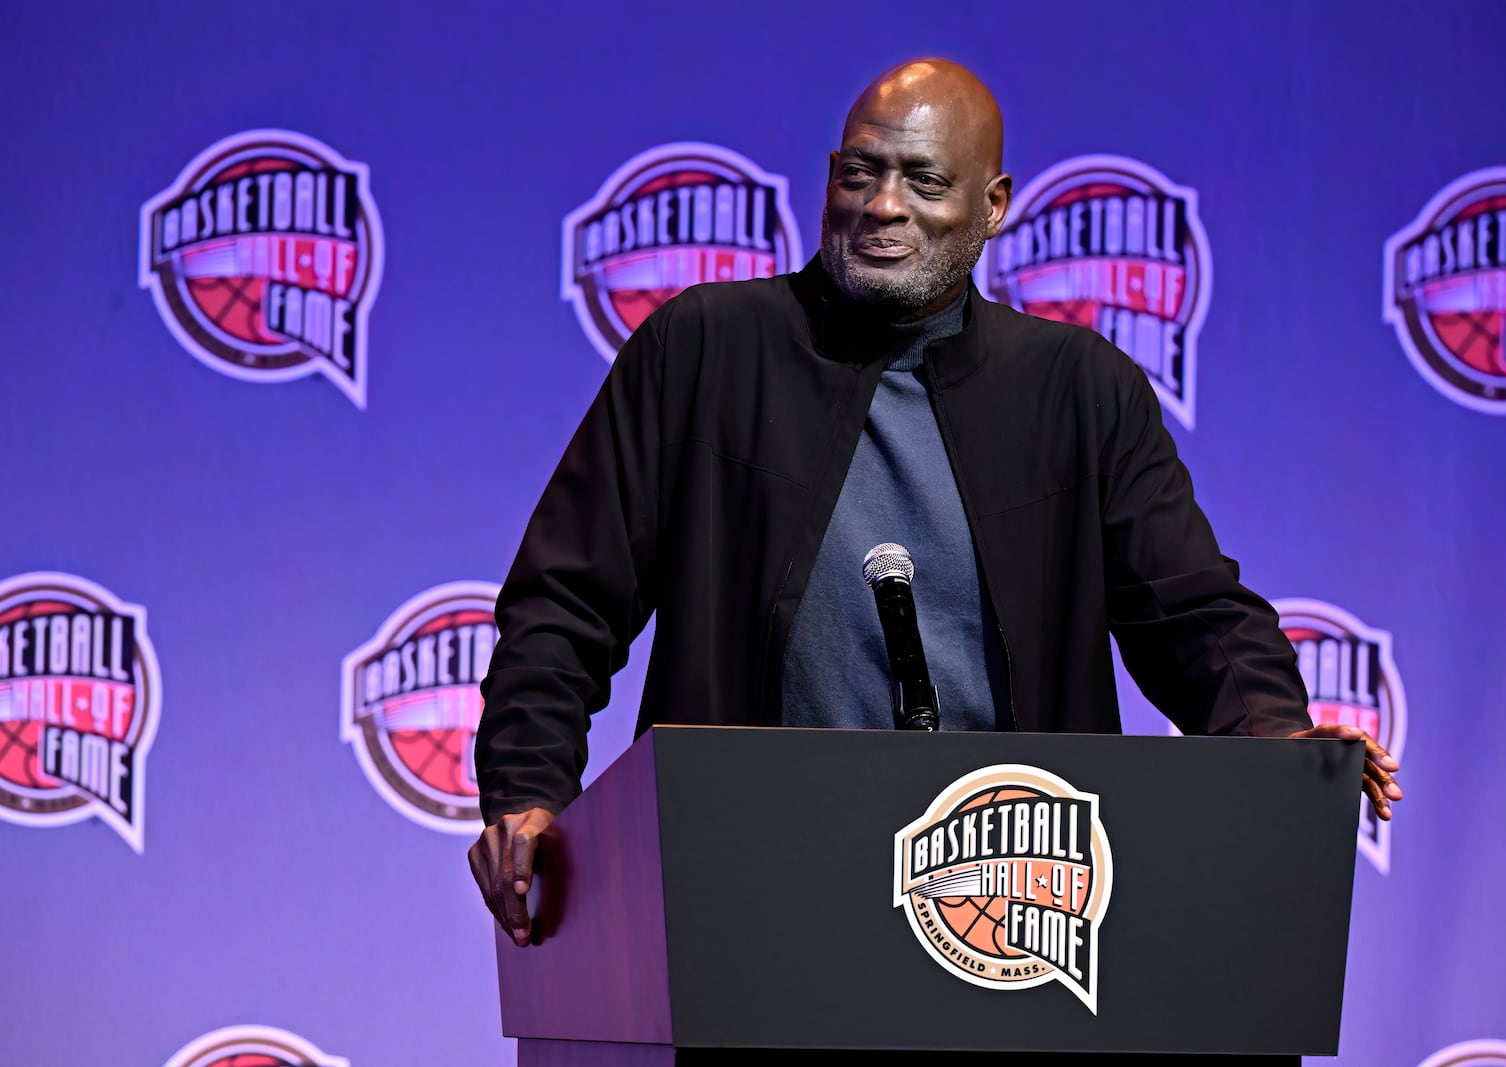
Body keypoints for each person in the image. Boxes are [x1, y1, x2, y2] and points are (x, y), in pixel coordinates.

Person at [467, 58, 1402, 946]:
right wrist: (526, 786)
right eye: (858, 173)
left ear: (993, 206)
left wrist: (1275, 736)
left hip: (1005, 916)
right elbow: (566, 598)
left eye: (923, 181)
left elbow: (1191, 609)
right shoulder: (705, 351)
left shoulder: (1077, 390)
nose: (882, 206)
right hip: (750, 892)